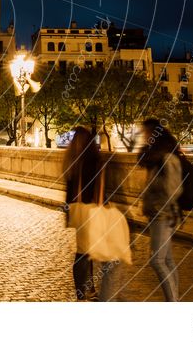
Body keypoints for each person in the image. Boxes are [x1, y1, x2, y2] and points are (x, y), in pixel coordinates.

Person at [64, 126, 119, 302]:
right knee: (101, 254)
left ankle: (83, 291)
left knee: (82, 253)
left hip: (78, 211)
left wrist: (68, 215)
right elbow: (100, 190)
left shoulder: (72, 161)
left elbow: (69, 193)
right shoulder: (94, 160)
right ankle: (96, 292)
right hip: (93, 211)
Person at [138, 118, 183, 302]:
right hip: (158, 212)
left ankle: (173, 303)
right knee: (167, 260)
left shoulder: (167, 159)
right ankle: (175, 299)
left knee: (156, 260)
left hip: (163, 213)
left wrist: (158, 202)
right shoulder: (156, 160)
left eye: (146, 133)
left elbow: (174, 188)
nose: (144, 137)